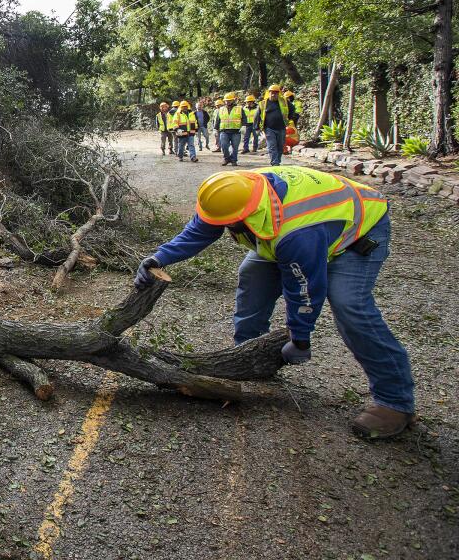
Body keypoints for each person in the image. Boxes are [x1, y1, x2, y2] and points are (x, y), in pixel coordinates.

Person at [134, 167, 415, 438]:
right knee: (253, 274)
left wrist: (301, 338)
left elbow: (304, 289)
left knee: (350, 306)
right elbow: (199, 232)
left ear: (247, 213)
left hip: (357, 232)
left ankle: (395, 402)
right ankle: (248, 355)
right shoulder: (230, 192)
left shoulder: (296, 232)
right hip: (292, 232)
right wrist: (159, 258)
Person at [258, 84, 290, 166]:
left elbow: (292, 110)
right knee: (272, 145)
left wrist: (290, 119)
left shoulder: (284, 102)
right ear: (269, 93)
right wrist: (256, 127)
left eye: (276, 93)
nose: (273, 94)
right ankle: (274, 162)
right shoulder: (263, 103)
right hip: (269, 128)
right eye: (272, 92)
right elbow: (257, 115)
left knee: (280, 146)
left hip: (281, 128)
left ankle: (277, 160)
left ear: (278, 93)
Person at [215, 93, 244, 166]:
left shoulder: (239, 109)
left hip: (236, 131)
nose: (228, 102)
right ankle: (226, 158)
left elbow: (244, 118)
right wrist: (215, 129)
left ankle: (234, 160)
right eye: (226, 100)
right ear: (224, 101)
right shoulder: (221, 109)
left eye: (229, 100)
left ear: (233, 100)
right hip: (224, 131)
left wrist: (244, 126)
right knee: (224, 146)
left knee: (235, 147)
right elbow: (218, 120)